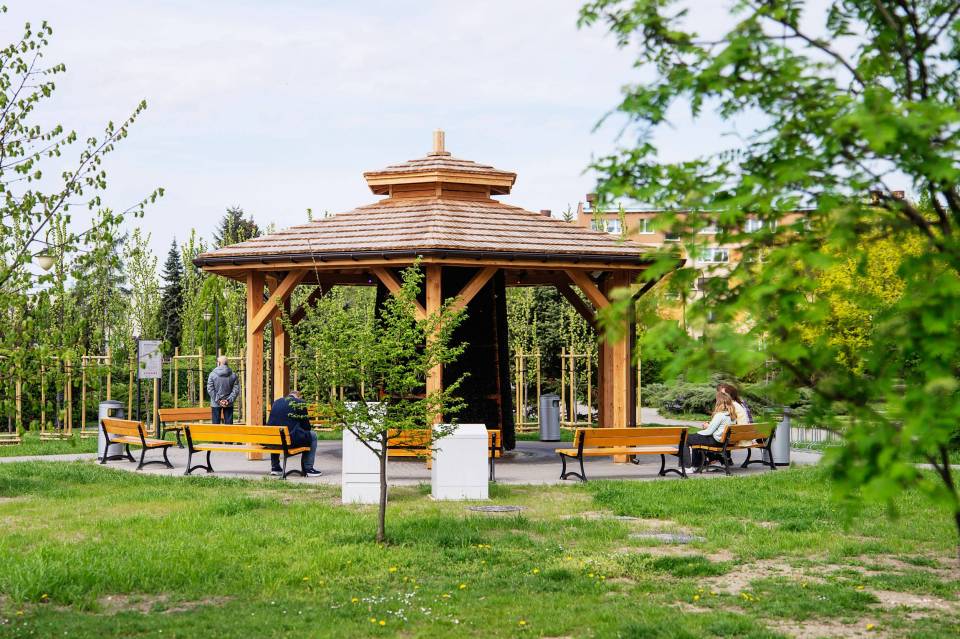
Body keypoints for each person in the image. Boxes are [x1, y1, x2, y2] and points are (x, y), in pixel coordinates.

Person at [267, 389, 321, 477]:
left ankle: (275, 467)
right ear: (298, 396)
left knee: (278, 435)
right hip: (289, 442)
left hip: (271, 440)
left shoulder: (276, 402)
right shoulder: (299, 403)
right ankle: (308, 469)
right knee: (312, 435)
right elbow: (306, 427)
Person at [685, 390, 737, 470]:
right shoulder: (732, 415)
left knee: (686, 438)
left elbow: (709, 432)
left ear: (719, 403)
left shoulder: (720, 415)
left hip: (716, 441)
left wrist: (702, 429)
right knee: (695, 439)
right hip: (724, 442)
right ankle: (698, 464)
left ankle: (688, 467)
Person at [206, 355, 240, 424]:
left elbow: (210, 389)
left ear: (219, 363)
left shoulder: (212, 375)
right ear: (227, 363)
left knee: (216, 424)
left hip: (215, 403)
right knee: (229, 424)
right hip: (228, 403)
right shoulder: (233, 375)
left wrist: (219, 400)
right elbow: (236, 389)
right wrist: (228, 400)